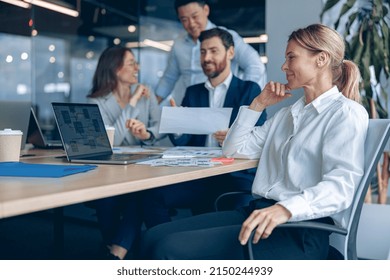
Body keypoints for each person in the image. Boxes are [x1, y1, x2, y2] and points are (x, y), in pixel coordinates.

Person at [139, 23, 369, 260]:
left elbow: (341, 187)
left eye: (291, 57)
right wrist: (257, 104)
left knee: (167, 249)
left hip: (298, 228)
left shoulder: (345, 113)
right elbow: (233, 150)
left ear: (321, 59)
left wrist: (285, 209)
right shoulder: (286, 114)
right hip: (257, 212)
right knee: (152, 237)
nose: (283, 66)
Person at [142, 27, 266, 229]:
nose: (207, 57)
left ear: (231, 53)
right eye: (202, 52)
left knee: (234, 218)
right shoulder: (193, 92)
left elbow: (258, 135)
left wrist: (235, 137)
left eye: (214, 51)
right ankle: (164, 247)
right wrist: (178, 124)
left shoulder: (249, 90)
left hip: (234, 177)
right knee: (152, 196)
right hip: (197, 175)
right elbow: (183, 141)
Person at [86, 46, 161, 260]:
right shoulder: (97, 102)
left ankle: (115, 252)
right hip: (112, 167)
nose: (137, 68)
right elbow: (112, 140)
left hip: (144, 164)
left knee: (140, 191)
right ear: (115, 68)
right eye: (131, 63)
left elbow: (159, 128)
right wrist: (133, 102)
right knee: (107, 195)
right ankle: (115, 246)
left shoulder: (147, 94)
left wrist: (146, 134)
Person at [155, 0, 266, 106]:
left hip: (222, 105)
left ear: (206, 10)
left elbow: (255, 65)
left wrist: (241, 94)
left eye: (195, 16)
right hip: (190, 106)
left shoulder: (226, 36)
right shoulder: (178, 44)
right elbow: (169, 79)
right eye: (184, 19)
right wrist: (151, 107)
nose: (191, 23)